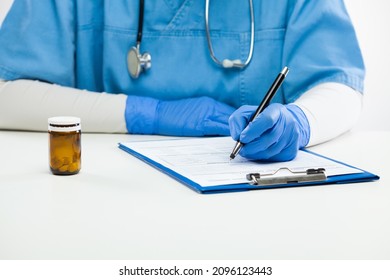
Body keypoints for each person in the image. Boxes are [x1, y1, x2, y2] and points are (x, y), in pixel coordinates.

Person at [0, 0, 364, 162]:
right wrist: (149, 113)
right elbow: (7, 96)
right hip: (100, 196)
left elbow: (339, 84)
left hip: (254, 198)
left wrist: (301, 122)